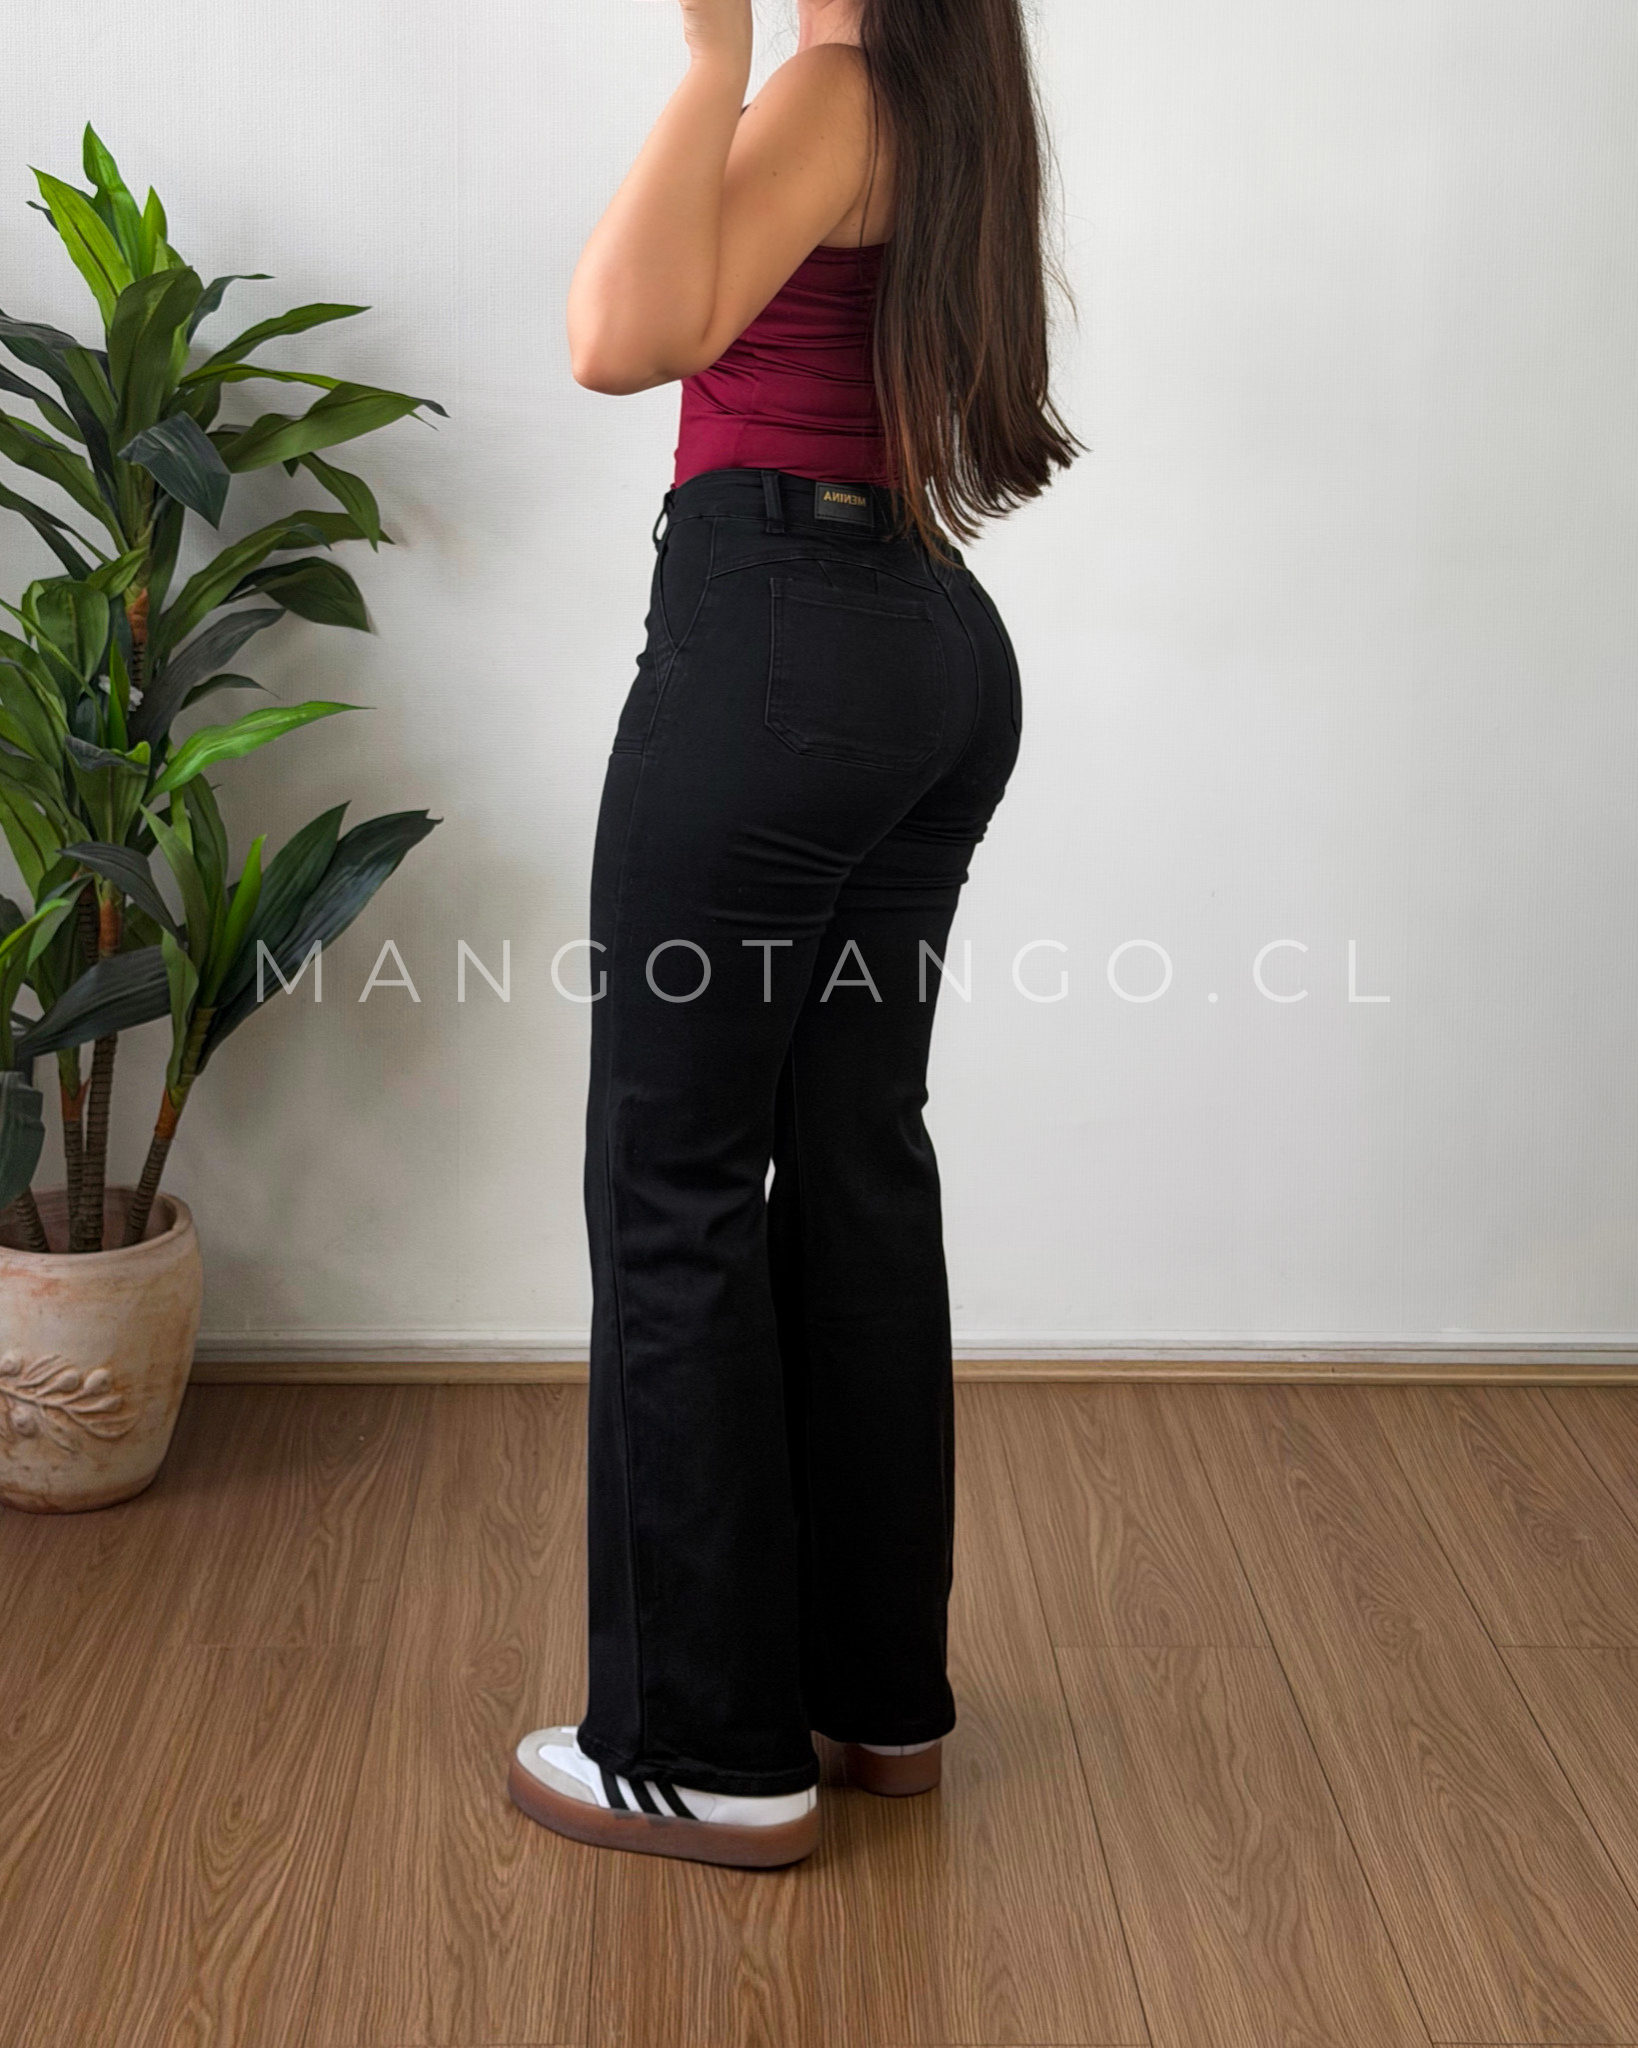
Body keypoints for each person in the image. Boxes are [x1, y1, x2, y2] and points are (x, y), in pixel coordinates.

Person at [509, 0, 1079, 1869]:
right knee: (852, 1167)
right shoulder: (944, 100)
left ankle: (701, 1746)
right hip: (922, 641)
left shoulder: (825, 87)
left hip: (778, 643)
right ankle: (870, 1697)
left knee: (671, 1173)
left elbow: (616, 338)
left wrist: (703, 63)